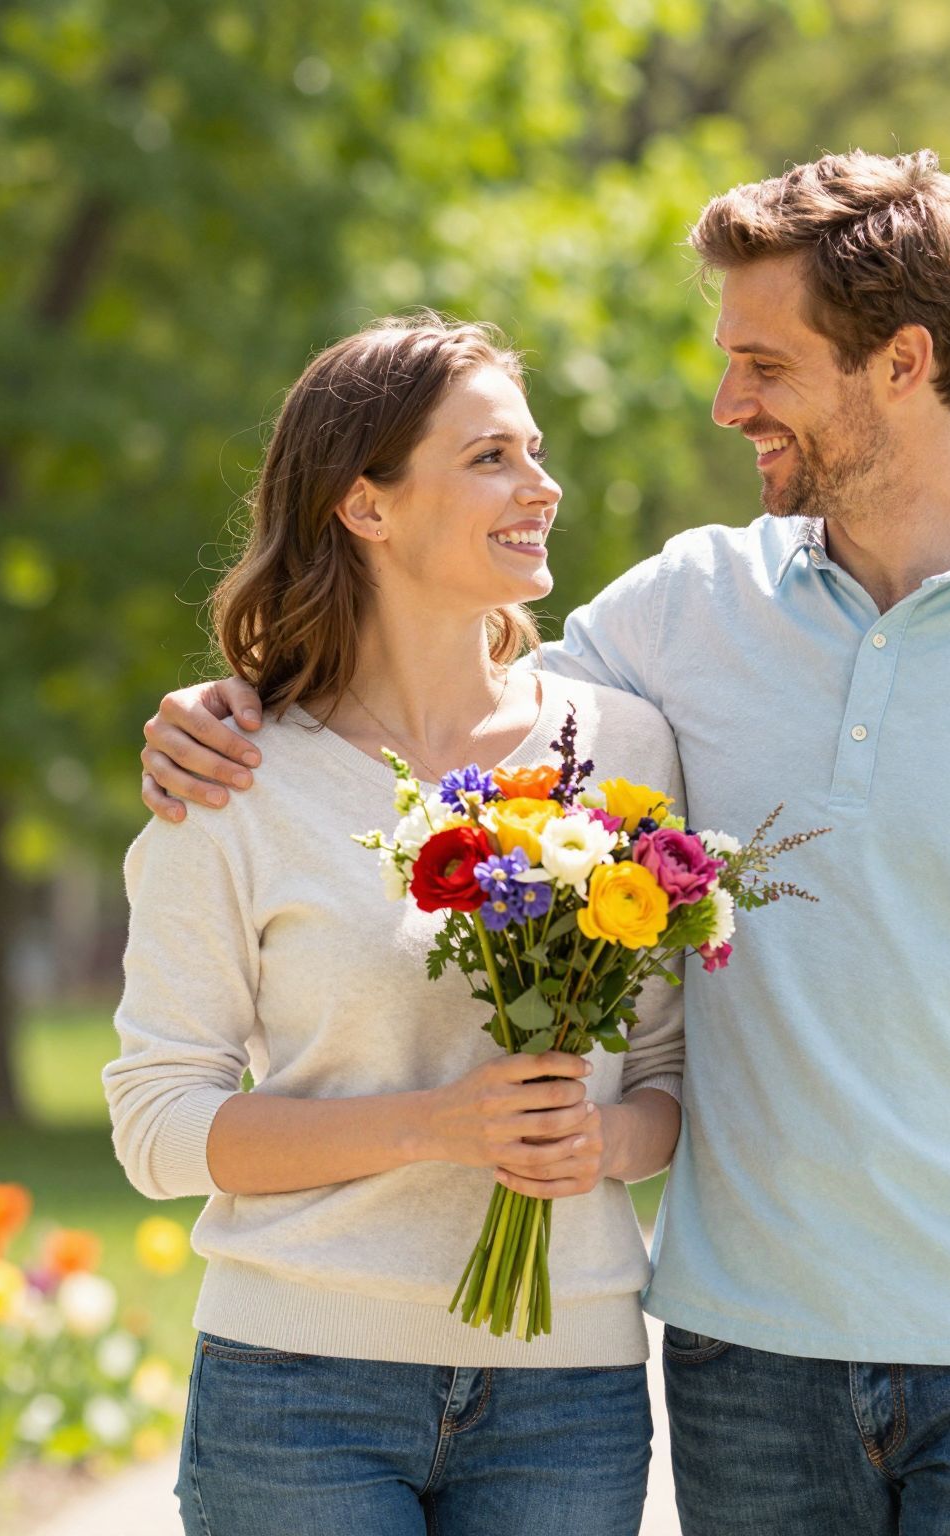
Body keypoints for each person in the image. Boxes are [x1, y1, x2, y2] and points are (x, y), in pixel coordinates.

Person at [140, 151, 950, 1536]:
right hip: (745, 1358)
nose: (725, 402)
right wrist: (233, 704)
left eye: (764, 363)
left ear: (903, 362)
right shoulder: (687, 609)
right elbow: (448, 698)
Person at [106, 315, 686, 1536]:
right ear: (364, 505)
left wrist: (604, 1144)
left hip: (568, 1389)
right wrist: (437, 1127)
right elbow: (159, 1129)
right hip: (298, 1394)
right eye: (490, 458)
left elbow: (666, 1084)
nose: (544, 486)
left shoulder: (623, 750)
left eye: (534, 451)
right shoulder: (231, 775)